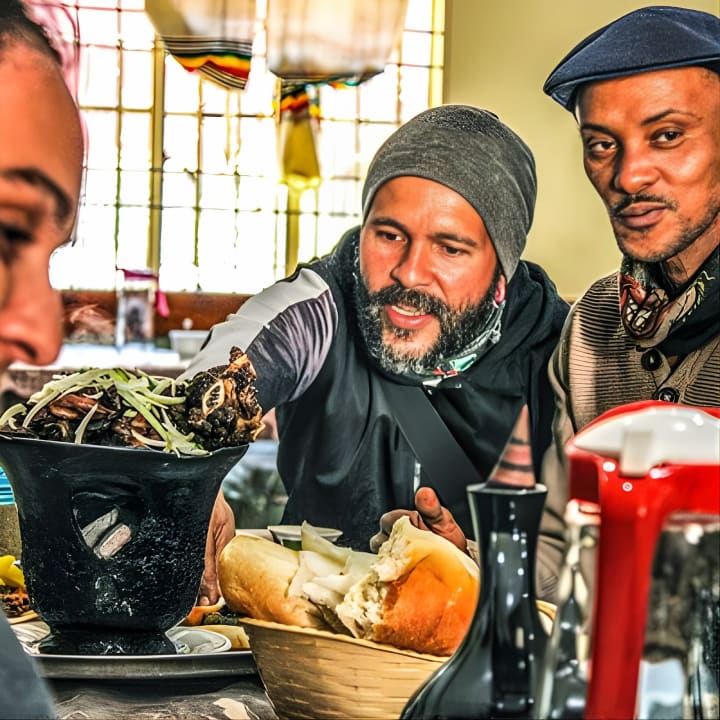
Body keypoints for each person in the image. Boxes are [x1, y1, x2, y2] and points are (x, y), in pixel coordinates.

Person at [375, 5, 720, 603]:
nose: (629, 175)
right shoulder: (592, 328)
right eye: (601, 144)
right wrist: (467, 563)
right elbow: (565, 552)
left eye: (667, 136)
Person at [184, 104, 570, 600]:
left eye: (450, 248)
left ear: (503, 272)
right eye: (389, 235)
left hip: (486, 633)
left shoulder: (564, 351)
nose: (409, 272)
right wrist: (189, 474)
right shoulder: (320, 308)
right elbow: (216, 374)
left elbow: (589, 564)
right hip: (308, 626)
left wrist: (472, 562)